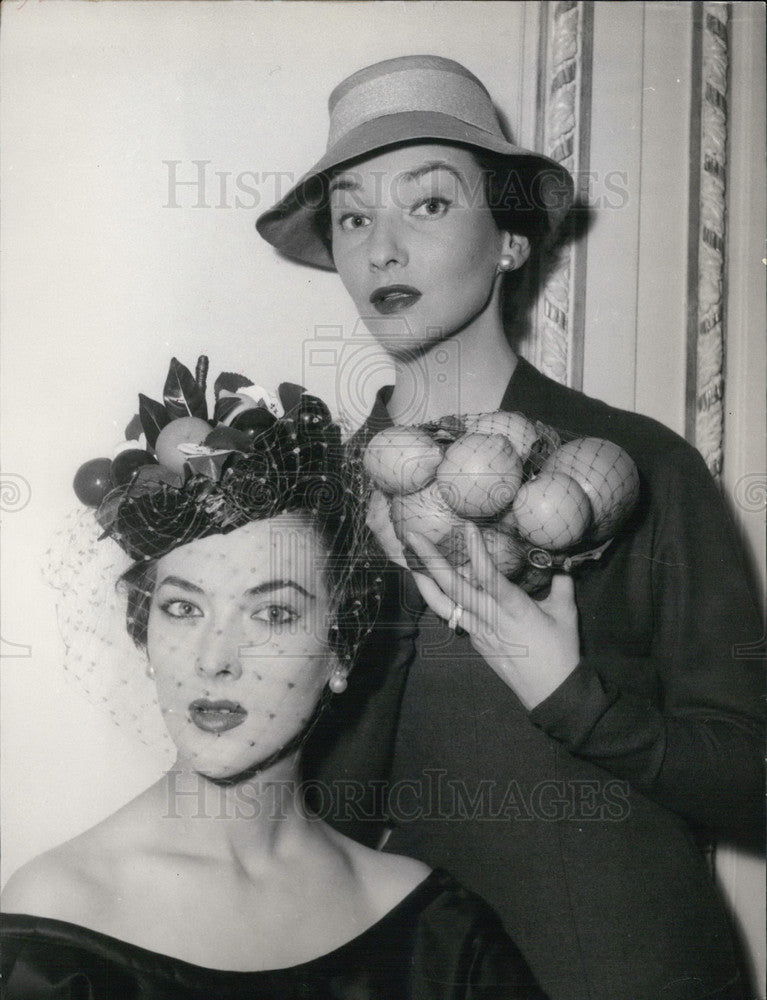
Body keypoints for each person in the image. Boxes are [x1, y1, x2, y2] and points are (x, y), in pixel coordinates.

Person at [256, 55, 765, 1000]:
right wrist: (379, 603)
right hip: (417, 979)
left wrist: (572, 697)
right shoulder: (314, 502)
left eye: (428, 204)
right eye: (353, 217)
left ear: (510, 243)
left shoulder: (636, 464)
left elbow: (753, 782)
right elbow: (315, 823)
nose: (382, 250)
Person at [0, 361, 548, 999]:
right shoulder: (58, 919)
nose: (215, 659)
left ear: (341, 651)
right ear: (144, 632)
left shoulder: (435, 935)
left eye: (272, 614)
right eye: (183, 608)